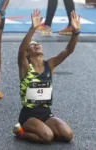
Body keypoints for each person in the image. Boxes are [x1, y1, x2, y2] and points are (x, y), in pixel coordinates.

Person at [13, 9, 80, 143]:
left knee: (68, 135)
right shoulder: (25, 67)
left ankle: (43, 127)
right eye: (32, 45)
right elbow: (21, 50)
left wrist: (76, 32)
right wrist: (33, 28)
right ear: (27, 54)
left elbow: (68, 51)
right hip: (29, 116)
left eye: (38, 43)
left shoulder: (50, 65)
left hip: (45, 113)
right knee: (47, 137)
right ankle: (20, 132)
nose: (36, 45)